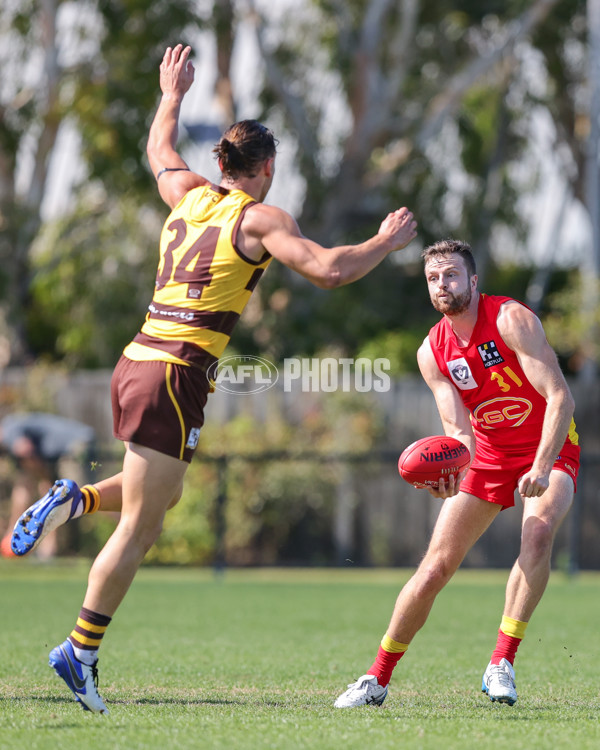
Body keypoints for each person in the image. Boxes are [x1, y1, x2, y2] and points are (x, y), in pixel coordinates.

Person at [10, 44, 417, 714]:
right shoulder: (259, 218)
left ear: (219, 165)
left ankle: (73, 498)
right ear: (267, 169)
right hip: (175, 373)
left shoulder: (187, 194)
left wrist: (172, 95)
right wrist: (385, 241)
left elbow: (160, 152)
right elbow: (329, 270)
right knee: (141, 527)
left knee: (159, 501)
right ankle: (79, 653)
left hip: (136, 360)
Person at [334, 239, 579, 709]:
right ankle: (376, 679)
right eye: (432, 278)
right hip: (488, 453)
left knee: (539, 533)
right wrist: (450, 471)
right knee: (434, 567)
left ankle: (501, 663)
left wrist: (543, 467)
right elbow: (458, 433)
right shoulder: (432, 351)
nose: (442, 285)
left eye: (450, 275)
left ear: (473, 280)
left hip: (549, 443)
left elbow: (560, 397)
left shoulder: (511, 319)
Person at [0, 412, 96, 558]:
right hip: (77, 444)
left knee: (86, 495)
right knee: (78, 498)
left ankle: (129, 523)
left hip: (75, 447)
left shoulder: (9, 429)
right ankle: (48, 552)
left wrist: (45, 477)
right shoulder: (15, 424)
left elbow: (25, 450)